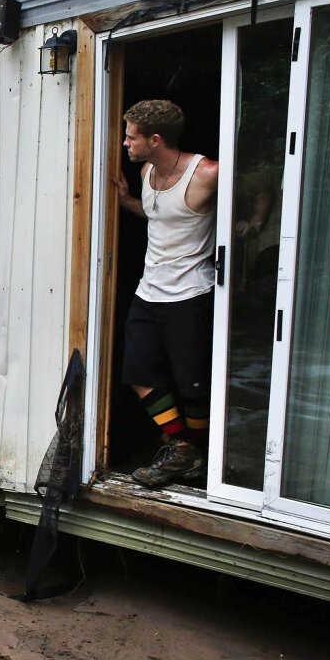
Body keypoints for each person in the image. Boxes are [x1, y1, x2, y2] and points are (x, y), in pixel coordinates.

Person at [112, 99, 220, 489]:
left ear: (155, 139)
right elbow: (161, 216)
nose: (125, 143)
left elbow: (262, 189)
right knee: (138, 373)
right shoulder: (146, 171)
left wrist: (251, 226)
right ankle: (181, 447)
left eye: (131, 137)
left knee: (193, 383)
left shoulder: (207, 173)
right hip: (149, 292)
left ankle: (196, 452)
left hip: (191, 294)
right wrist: (127, 202)